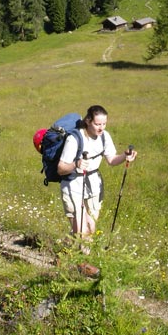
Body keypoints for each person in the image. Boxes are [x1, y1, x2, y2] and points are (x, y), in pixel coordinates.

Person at [57, 105, 137, 246]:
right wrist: (76, 165)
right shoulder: (74, 139)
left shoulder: (104, 137)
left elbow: (111, 160)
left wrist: (125, 156)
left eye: (104, 124)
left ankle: (66, 253)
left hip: (93, 185)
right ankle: (81, 263)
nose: (101, 128)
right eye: (97, 124)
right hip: (73, 185)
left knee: (91, 229)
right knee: (82, 231)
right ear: (88, 121)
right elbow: (61, 169)